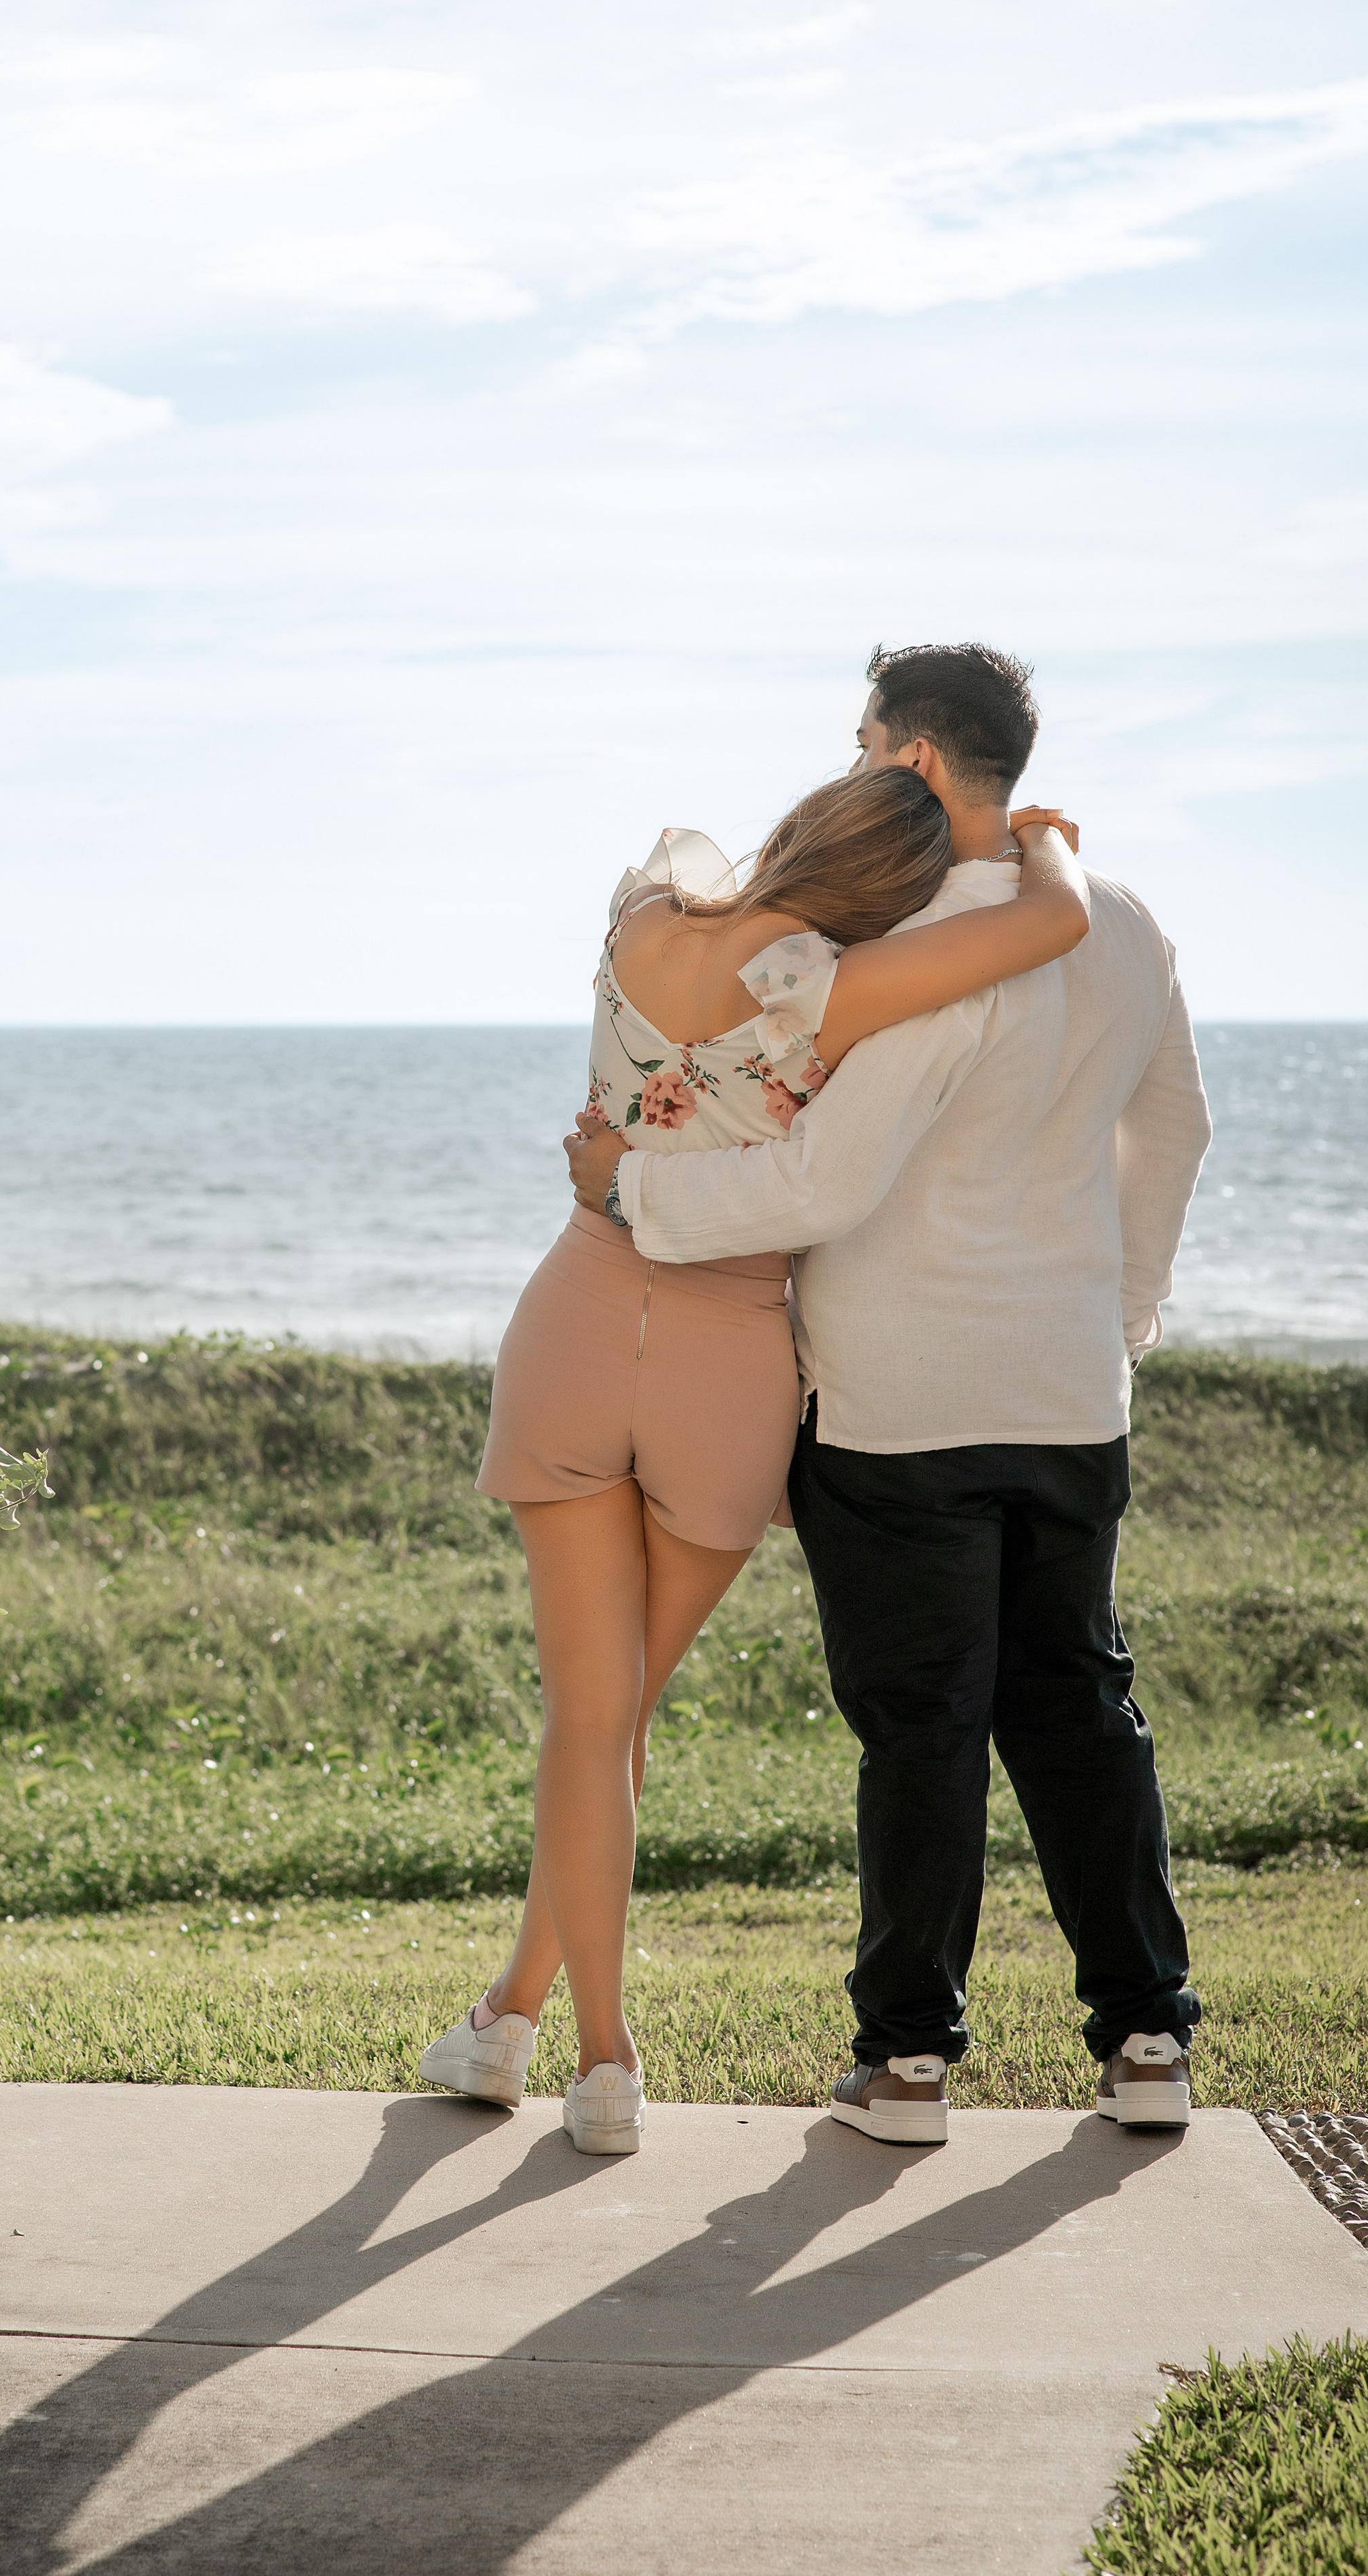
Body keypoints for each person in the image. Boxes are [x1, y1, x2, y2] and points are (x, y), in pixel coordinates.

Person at [565, 641, 1213, 2149]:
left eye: (862, 741)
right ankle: (1144, 2039)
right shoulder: (1117, 921)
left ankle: (906, 2065)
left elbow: (823, 1181)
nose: (852, 763)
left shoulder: (916, 943)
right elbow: (1173, 1129)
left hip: (895, 1401)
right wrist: (1118, 1317)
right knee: (1079, 1708)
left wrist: (629, 1188)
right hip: (1065, 1388)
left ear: (914, 762)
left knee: (921, 1724)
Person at [420, 749, 1092, 2154]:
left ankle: (552, 2042)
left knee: (588, 1722)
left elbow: (699, 885)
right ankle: (545, 2040)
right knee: (616, 1718)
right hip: (727, 1362)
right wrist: (1040, 843)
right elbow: (1049, 925)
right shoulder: (829, 993)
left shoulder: (638, 913)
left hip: (577, 1316)